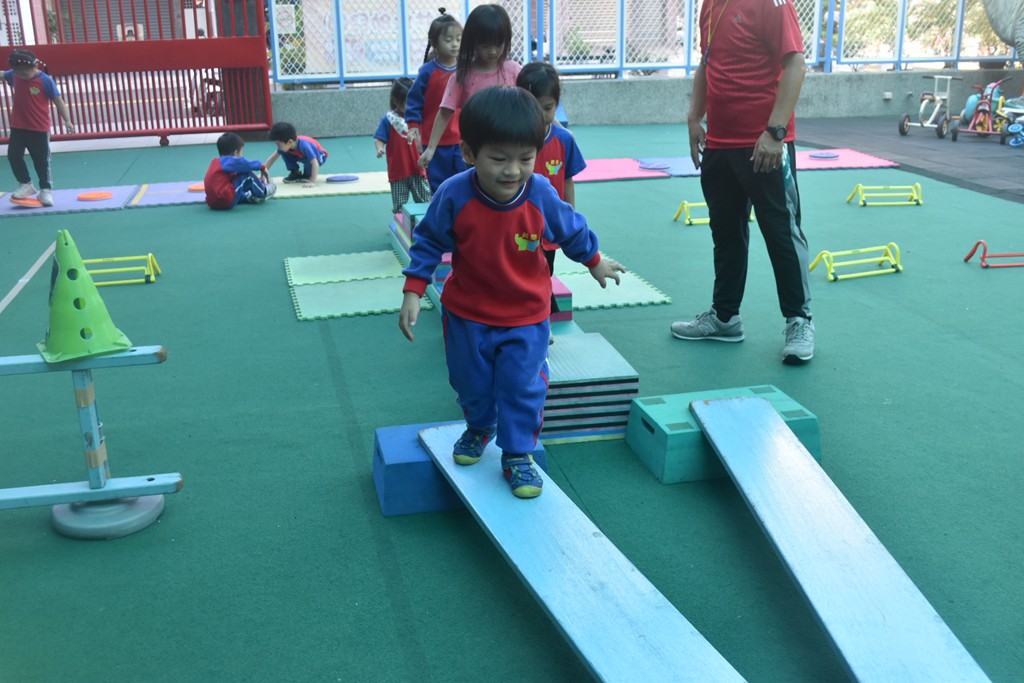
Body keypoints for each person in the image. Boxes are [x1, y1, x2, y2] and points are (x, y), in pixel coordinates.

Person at [399, 86, 625, 499]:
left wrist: (594, 261)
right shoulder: (454, 194)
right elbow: (429, 239)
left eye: (525, 158)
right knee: (470, 381)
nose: (513, 171)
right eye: (499, 159)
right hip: (467, 314)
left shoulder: (539, 193)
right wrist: (414, 288)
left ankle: (518, 452)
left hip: (526, 315)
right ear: (469, 153)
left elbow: (570, 228)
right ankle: (480, 425)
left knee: (522, 385)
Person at [671, 0, 814, 365]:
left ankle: (799, 320)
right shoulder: (710, 4)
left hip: (764, 142)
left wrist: (775, 131)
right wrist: (694, 117)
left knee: (781, 230)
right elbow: (708, 62)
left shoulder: (772, 3)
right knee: (726, 231)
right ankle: (725, 317)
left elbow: (795, 63)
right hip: (719, 143)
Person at [516, 61, 586, 338]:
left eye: (547, 108)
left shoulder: (564, 139)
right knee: (518, 275)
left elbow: (567, 180)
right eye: (533, 107)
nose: (541, 115)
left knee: (543, 274)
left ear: (557, 104)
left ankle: (541, 323)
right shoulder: (512, 138)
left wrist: (571, 218)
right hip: (517, 223)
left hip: (548, 227)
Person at [417, 4, 521, 171]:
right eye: (485, 45)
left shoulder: (514, 71)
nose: (493, 51)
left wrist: (557, 128)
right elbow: (444, 113)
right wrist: (430, 148)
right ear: (473, 42)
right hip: (476, 152)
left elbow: (535, 104)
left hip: (510, 148)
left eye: (498, 44)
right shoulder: (462, 76)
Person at [3, 49, 74, 207]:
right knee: (13, 155)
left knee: (41, 161)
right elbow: (3, 74)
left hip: (39, 129)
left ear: (34, 66)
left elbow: (58, 100)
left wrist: (67, 120)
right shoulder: (15, 74)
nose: (21, 76)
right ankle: (25, 184)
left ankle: (46, 190)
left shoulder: (45, 81)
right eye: (18, 73)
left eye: (24, 73)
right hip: (18, 127)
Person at [405, 8, 464, 192]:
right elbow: (414, 100)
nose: (454, 44)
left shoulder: (465, 69)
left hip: (461, 138)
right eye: (448, 40)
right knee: (438, 183)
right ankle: (440, 207)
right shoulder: (428, 71)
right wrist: (413, 125)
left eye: (458, 39)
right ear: (434, 43)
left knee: (463, 179)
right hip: (434, 140)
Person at [375, 78, 432, 214]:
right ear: (396, 101)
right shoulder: (389, 119)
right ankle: (400, 223)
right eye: (408, 102)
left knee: (425, 201)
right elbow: (379, 138)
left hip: (418, 168)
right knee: (399, 205)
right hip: (398, 171)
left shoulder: (418, 117)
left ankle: (425, 223)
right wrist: (380, 148)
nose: (413, 105)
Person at [203, 132, 276, 210]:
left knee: (237, 179)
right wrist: (262, 167)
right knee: (247, 176)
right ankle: (263, 192)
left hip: (212, 203)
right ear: (236, 153)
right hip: (225, 199)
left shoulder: (217, 162)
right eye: (241, 152)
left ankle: (246, 197)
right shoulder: (231, 161)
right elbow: (246, 164)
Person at [265, 121, 328, 188]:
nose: (278, 147)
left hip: (319, 155)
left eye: (279, 145)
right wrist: (263, 174)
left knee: (308, 169)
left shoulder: (304, 146)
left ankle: (308, 175)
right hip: (301, 155)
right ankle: (295, 173)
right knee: (283, 152)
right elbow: (272, 159)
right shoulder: (287, 145)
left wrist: (312, 181)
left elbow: (315, 163)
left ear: (290, 142)